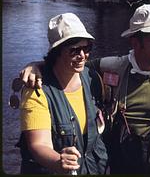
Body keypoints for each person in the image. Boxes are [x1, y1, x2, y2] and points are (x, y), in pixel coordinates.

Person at [19, 4, 150, 175]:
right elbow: (66, 67)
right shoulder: (108, 68)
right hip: (124, 166)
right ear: (135, 42)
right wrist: (37, 66)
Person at [17, 13, 108, 174]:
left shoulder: (92, 77)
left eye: (86, 48)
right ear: (56, 52)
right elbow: (39, 144)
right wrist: (58, 161)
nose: (82, 56)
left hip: (94, 168)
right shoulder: (36, 90)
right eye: (74, 50)